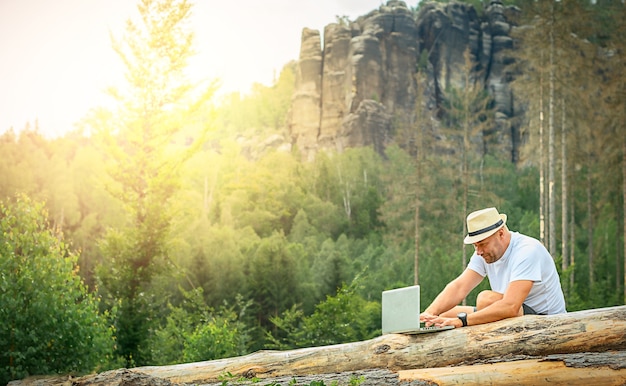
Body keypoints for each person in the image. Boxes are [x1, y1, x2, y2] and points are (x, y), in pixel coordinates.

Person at [420, 207, 566, 328]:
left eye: (482, 244)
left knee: (485, 299)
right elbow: (459, 287)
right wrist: (429, 314)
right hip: (510, 312)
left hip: (546, 322)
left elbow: (510, 306)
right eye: (475, 245)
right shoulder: (483, 253)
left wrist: (463, 322)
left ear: (501, 233)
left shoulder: (527, 251)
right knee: (443, 316)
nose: (478, 251)